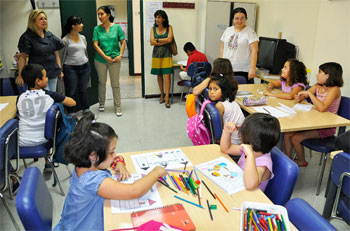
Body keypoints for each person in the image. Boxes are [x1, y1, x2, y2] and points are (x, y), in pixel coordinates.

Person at [54, 113, 167, 230]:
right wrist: (156, 171)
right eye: (112, 151)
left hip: (69, 224)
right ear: (93, 155)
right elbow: (134, 191)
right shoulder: (93, 181)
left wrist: (118, 162)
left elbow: (104, 162)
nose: (115, 155)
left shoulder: (82, 163)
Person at [17, 64, 76, 171]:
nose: (47, 79)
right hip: (45, 139)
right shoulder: (50, 95)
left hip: (22, 141)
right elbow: (72, 103)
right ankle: (48, 161)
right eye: (45, 77)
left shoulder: (20, 98)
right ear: (38, 81)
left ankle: (13, 178)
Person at [284, 62, 344, 167]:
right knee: (287, 134)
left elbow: (322, 107)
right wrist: (300, 97)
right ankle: (287, 160)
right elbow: (303, 96)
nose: (317, 74)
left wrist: (310, 94)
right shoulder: (318, 86)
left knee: (295, 138)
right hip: (313, 121)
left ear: (327, 75)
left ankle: (302, 161)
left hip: (325, 127)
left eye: (320, 72)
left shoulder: (335, 90)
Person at [220, 113, 281, 191]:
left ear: (250, 140)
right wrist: (226, 132)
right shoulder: (250, 149)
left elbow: (250, 185)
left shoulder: (263, 162)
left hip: (250, 197)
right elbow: (226, 149)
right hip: (237, 186)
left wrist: (250, 156)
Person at [16, 9, 64, 92]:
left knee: (52, 97)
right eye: (41, 19)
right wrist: (20, 75)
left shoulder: (49, 35)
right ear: (33, 21)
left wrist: (59, 70)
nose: (44, 21)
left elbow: (56, 53)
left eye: (45, 18)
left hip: (52, 73)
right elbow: (22, 57)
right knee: (44, 99)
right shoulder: (27, 37)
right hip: (37, 77)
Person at [93, 6, 125, 116]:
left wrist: (120, 54)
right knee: (101, 82)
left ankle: (118, 106)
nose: (100, 16)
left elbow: (123, 42)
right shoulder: (97, 29)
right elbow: (95, 45)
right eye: (98, 14)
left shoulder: (117, 28)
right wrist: (105, 57)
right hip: (100, 60)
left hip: (115, 59)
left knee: (115, 84)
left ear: (108, 15)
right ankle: (101, 103)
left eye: (102, 14)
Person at [61, 16, 91, 118]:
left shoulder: (83, 38)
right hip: (70, 68)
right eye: (80, 23)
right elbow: (61, 57)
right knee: (71, 90)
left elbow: (85, 52)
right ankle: (72, 112)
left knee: (83, 89)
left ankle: (86, 110)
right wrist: (60, 70)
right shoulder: (65, 40)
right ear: (73, 26)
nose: (82, 25)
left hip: (85, 67)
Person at [219, 7, 258, 84]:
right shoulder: (228, 31)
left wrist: (252, 68)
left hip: (242, 69)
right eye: (237, 18)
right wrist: (220, 65)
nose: (239, 21)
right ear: (233, 19)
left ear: (246, 19)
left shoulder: (250, 32)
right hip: (227, 68)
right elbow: (222, 49)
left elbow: (254, 50)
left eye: (242, 18)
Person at [204, 73, 245, 145]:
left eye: (215, 89)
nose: (211, 92)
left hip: (233, 140)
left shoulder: (219, 105)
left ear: (223, 91)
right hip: (241, 136)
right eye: (210, 89)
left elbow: (219, 127)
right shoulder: (230, 99)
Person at [150, 10, 174, 108]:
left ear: (164, 18)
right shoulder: (153, 29)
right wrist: (164, 41)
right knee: (159, 75)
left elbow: (170, 39)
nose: (157, 19)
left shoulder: (169, 27)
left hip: (167, 54)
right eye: (156, 17)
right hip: (156, 54)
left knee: (167, 75)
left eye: (159, 17)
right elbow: (151, 42)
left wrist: (158, 40)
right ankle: (162, 94)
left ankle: (167, 97)